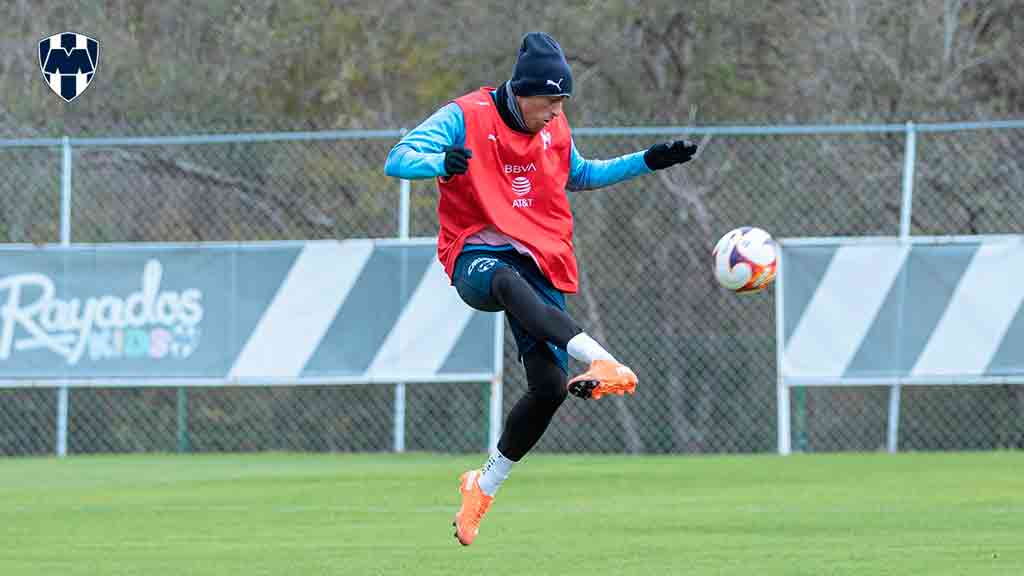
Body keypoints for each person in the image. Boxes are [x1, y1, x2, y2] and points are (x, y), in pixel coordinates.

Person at [384, 32, 698, 546]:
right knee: (505, 280)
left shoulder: (554, 127)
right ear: (521, 92)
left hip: (538, 254)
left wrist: (650, 159)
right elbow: (397, 158)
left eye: (562, 102)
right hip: (476, 254)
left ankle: (481, 487)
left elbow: (581, 174)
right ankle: (602, 359)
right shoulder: (466, 115)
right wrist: (439, 163)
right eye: (550, 100)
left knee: (549, 388)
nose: (556, 111)